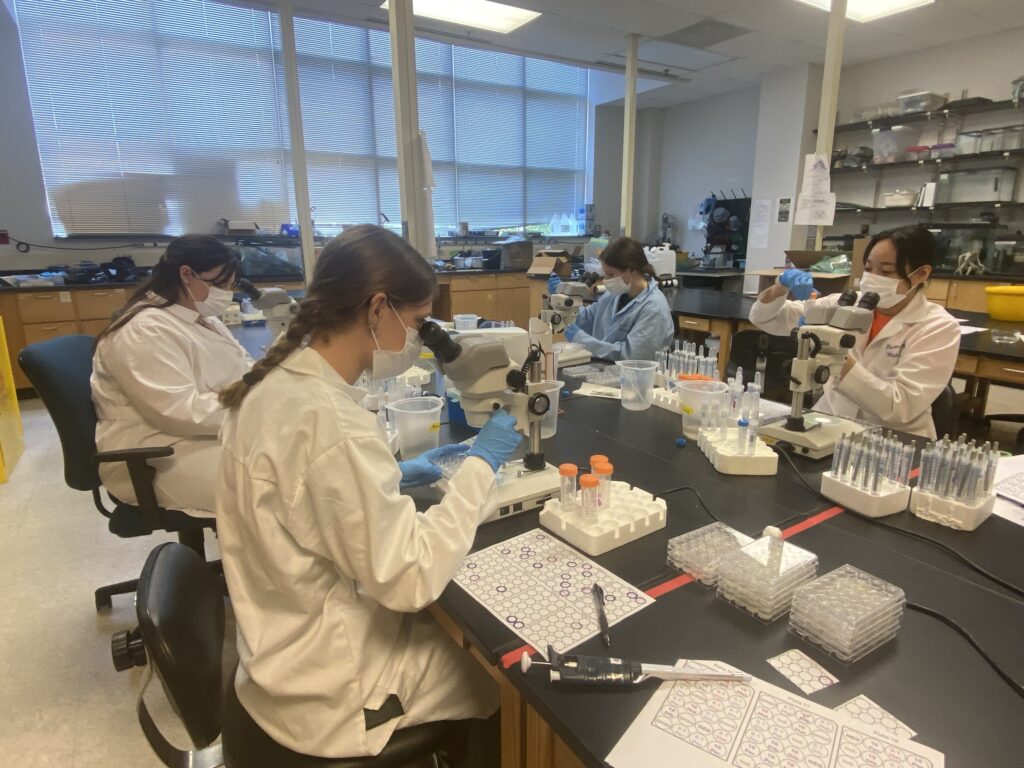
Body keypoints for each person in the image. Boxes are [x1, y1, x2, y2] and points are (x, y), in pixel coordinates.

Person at [215, 224, 522, 762]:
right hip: (333, 690)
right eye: (417, 322)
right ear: (377, 308)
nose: (418, 337)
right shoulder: (330, 424)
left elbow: (299, 493)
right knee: (505, 680)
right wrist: (481, 466)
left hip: (279, 653)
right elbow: (411, 579)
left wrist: (393, 474)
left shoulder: (272, 384)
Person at [91, 235, 253, 515]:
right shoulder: (144, 330)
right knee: (276, 488)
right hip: (157, 455)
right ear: (186, 274)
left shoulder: (204, 319)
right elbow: (179, 411)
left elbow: (243, 367)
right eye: (218, 284)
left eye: (230, 286)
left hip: (205, 437)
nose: (226, 294)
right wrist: (257, 406)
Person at [749, 225, 960, 438]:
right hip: (829, 424)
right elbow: (766, 318)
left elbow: (899, 406)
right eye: (868, 269)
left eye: (886, 271)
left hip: (891, 440)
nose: (873, 277)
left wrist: (837, 358)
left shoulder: (938, 327)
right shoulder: (843, 304)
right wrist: (779, 286)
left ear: (921, 273)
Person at [548, 236, 674, 361]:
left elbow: (633, 356)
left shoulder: (653, 308)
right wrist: (564, 302)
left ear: (631, 270)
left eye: (611, 274)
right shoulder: (614, 294)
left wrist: (581, 340)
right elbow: (587, 318)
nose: (605, 280)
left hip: (633, 377)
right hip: (602, 370)